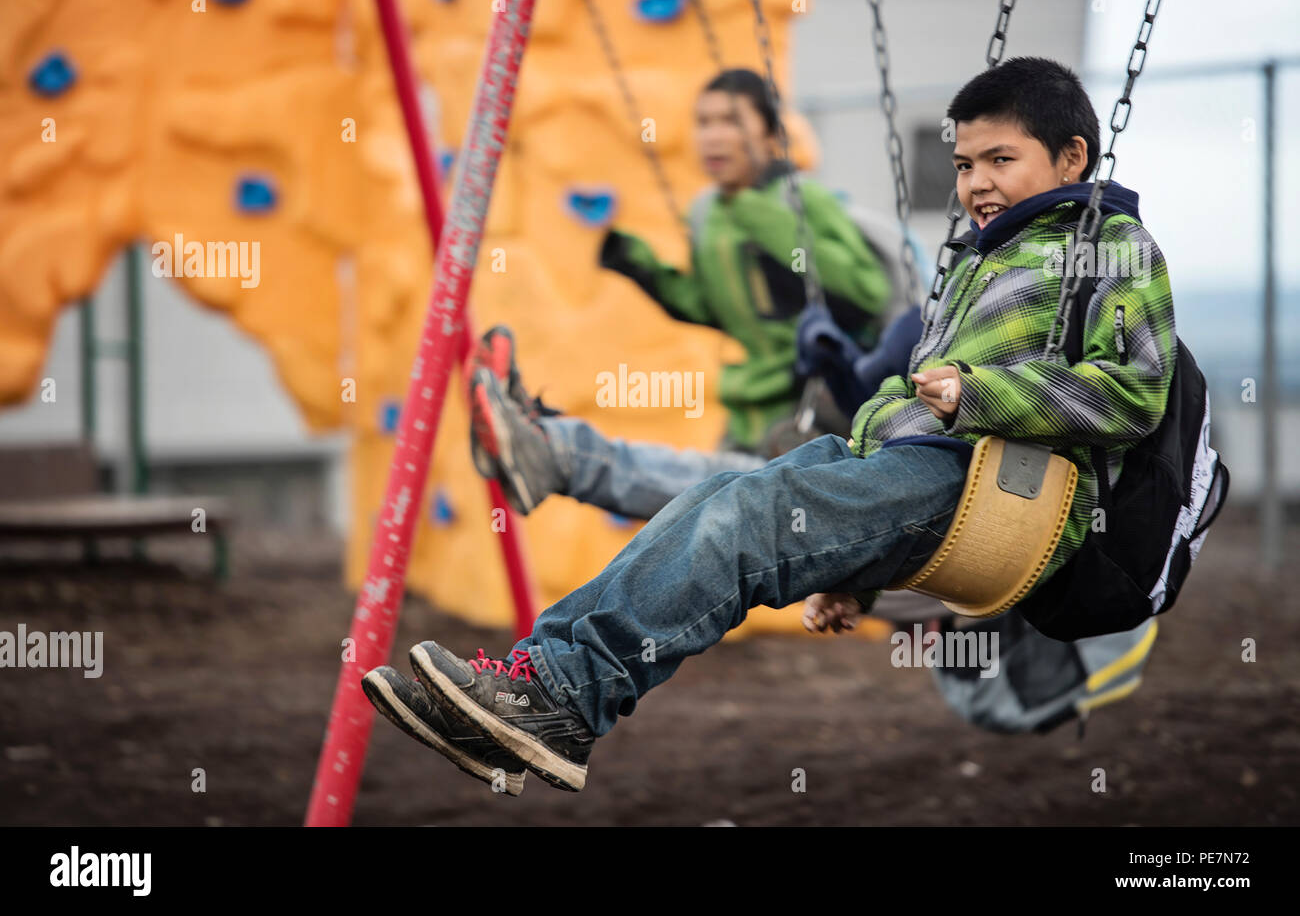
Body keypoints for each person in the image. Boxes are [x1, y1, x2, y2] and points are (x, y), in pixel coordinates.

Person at [364, 56, 1177, 795]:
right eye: (965, 164)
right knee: (719, 495)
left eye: (1002, 160)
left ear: (1071, 158)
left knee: (740, 518)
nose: (977, 183)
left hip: (1012, 497)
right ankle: (529, 685)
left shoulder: (1112, 246)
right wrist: (856, 573)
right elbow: (905, 424)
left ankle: (560, 694)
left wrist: (979, 395)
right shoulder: (972, 259)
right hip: (930, 476)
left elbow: (1137, 393)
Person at [464, 67, 896, 520]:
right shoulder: (708, 213)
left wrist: (764, 218)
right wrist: (636, 263)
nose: (713, 137)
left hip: (812, 412)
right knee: (706, 518)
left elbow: (866, 291)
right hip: (747, 409)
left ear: (770, 134)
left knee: (709, 498)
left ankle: (551, 448)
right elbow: (710, 307)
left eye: (731, 121)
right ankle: (546, 442)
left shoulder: (802, 200)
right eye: (704, 122)